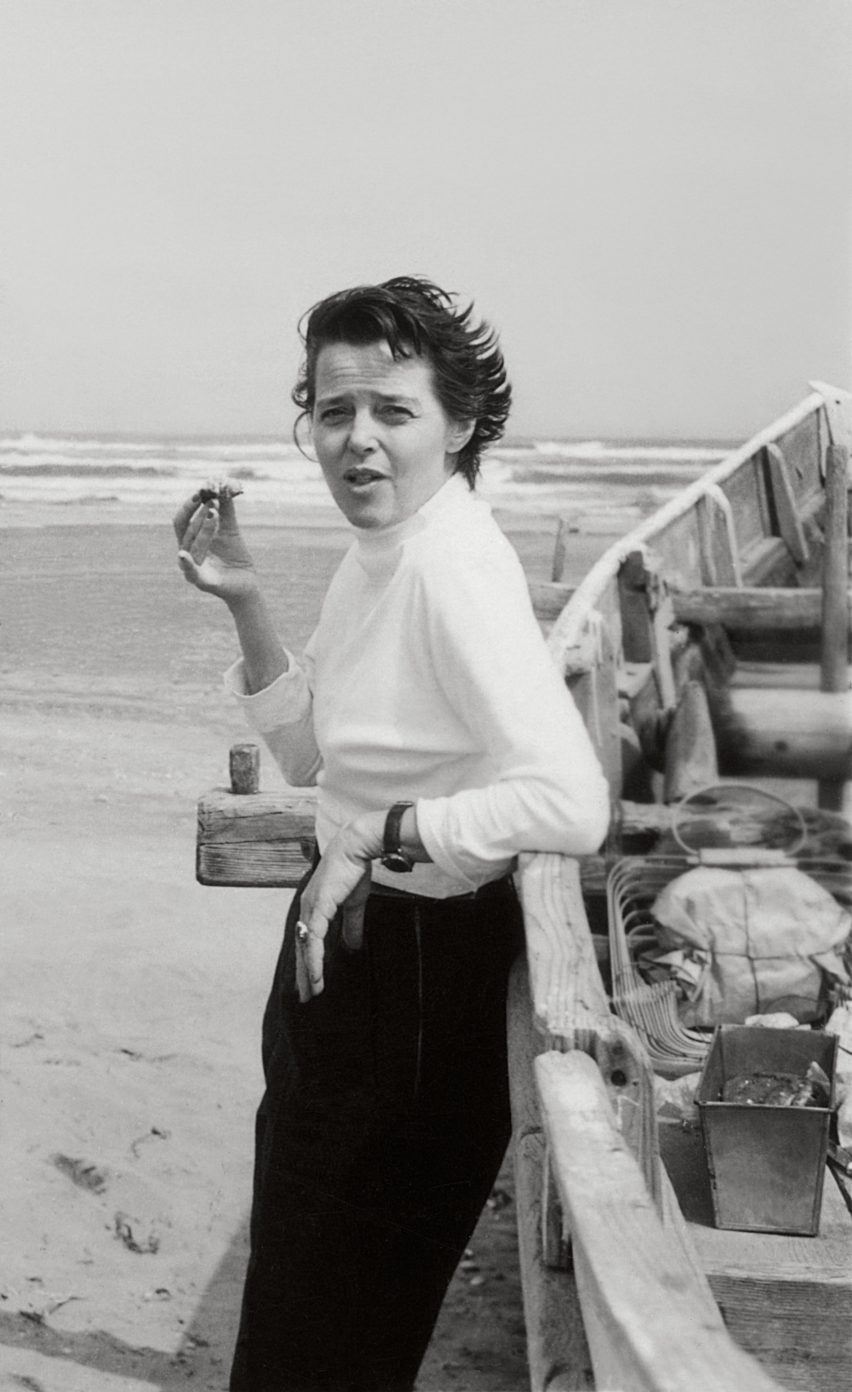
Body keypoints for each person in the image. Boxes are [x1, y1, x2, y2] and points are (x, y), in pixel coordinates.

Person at [173, 275, 610, 1392]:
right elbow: (319, 763)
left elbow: (568, 801)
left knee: (326, 1344)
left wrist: (377, 840)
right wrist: (246, 605)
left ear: (460, 424)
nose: (356, 441)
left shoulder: (451, 567)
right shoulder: (384, 556)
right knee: (301, 1321)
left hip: (415, 994)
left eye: (392, 412)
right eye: (332, 412)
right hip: (346, 975)